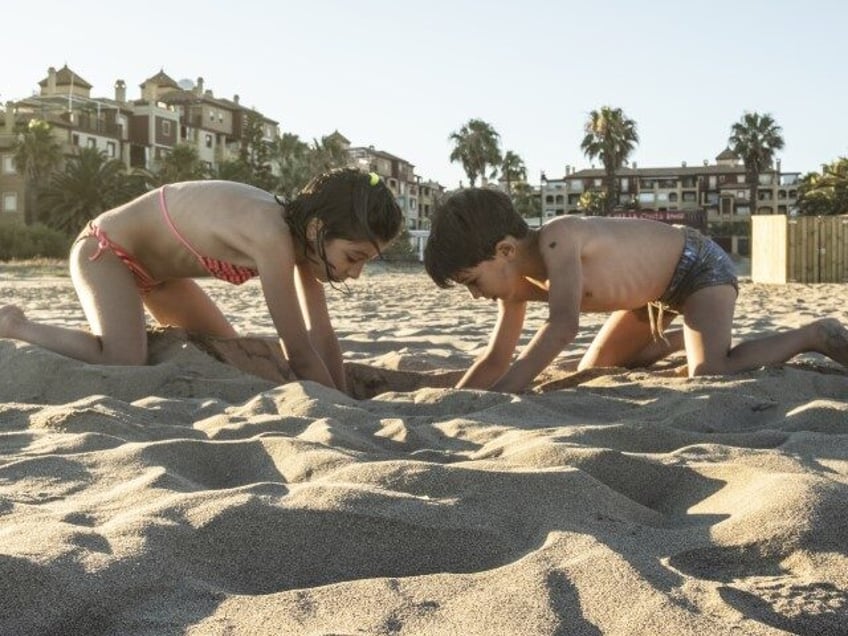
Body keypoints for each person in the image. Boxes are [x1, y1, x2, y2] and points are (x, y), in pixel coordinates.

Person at [0, 168, 403, 392]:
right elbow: (298, 351)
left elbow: (321, 334)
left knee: (235, 353)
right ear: (318, 227)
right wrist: (342, 413)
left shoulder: (306, 244)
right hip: (106, 252)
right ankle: (14, 324)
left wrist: (343, 398)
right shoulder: (272, 236)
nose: (355, 272)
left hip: (161, 280)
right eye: (353, 257)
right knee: (123, 357)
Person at [423, 187, 848, 393]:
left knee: (711, 370)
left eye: (472, 282)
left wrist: (506, 394)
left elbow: (562, 326)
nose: (476, 295)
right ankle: (673, 341)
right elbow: (497, 357)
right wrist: (462, 400)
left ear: (505, 250)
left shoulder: (559, 238)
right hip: (653, 299)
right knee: (599, 364)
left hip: (697, 268)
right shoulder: (515, 285)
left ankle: (815, 334)